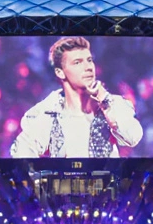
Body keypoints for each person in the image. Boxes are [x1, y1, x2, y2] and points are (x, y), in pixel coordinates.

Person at [10, 37, 144, 158]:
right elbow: (21, 151)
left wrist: (104, 99)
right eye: (77, 62)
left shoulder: (112, 104)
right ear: (60, 72)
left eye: (89, 60)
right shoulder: (48, 112)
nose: (88, 67)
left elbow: (133, 137)